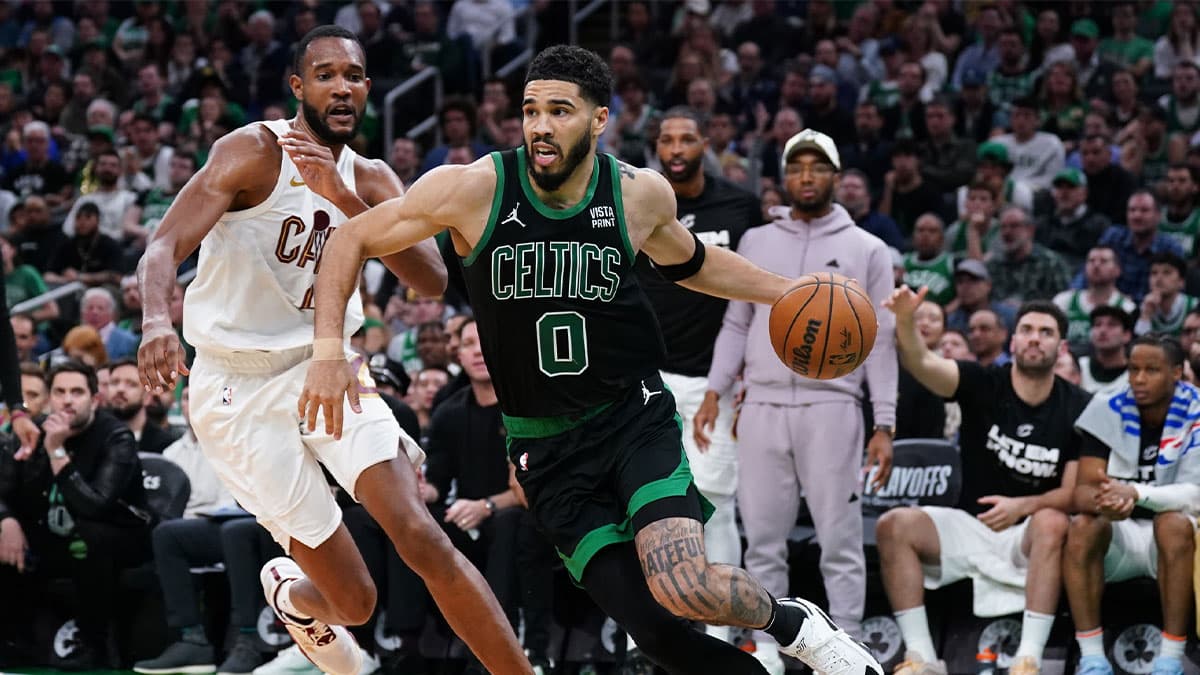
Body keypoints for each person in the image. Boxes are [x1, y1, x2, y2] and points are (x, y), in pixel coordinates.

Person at [298, 45, 882, 675]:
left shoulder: (638, 194)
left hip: (632, 419)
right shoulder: (472, 189)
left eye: (559, 111)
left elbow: (692, 263)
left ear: (599, 119)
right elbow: (352, 238)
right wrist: (328, 351)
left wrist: (783, 291)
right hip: (545, 451)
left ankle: (797, 625)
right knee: (659, 636)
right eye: (530, 110)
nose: (540, 126)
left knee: (684, 584)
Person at [135, 26, 531, 675]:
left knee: (421, 533)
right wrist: (156, 319)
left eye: (353, 74)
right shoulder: (252, 152)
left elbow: (431, 280)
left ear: (369, 89)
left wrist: (346, 202)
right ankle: (293, 596)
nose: (342, 85)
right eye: (326, 73)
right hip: (237, 387)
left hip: (330, 366)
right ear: (299, 86)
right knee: (354, 598)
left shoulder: (369, 177)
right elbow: (160, 247)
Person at [699, 127, 898, 673]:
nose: (806, 177)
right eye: (796, 167)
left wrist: (885, 422)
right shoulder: (757, 242)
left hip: (832, 407)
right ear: (785, 177)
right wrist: (715, 390)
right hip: (759, 405)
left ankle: (849, 646)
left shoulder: (867, 249)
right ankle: (769, 648)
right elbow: (736, 325)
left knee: (838, 538)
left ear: (837, 176)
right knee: (762, 539)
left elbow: (881, 341)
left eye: (817, 167)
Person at [879, 294, 1090, 675]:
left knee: (1053, 521)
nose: (1034, 339)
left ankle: (1028, 660)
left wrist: (1022, 505)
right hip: (971, 525)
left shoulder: (1077, 404)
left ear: (1060, 347)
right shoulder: (982, 381)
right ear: (1013, 341)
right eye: (1026, 330)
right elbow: (921, 362)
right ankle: (922, 658)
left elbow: (1076, 492)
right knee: (894, 524)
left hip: (1028, 534)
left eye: (1046, 333)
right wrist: (906, 321)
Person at [635, 106, 761, 646]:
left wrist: (746, 371)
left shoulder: (741, 205)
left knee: (717, 500)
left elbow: (753, 299)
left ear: (706, 142)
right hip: (649, 378)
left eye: (688, 139)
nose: (678, 149)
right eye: (668, 140)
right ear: (656, 147)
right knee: (646, 505)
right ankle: (652, 635)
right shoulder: (638, 203)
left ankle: (722, 632)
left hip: (718, 383)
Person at [0, 361, 154, 669]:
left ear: (95, 399)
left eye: (77, 392)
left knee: (88, 536)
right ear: (48, 398)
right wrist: (6, 520)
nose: (67, 400)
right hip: (55, 534)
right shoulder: (31, 431)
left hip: (119, 537)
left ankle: (93, 643)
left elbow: (95, 506)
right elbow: (4, 490)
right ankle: (12, 640)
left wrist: (56, 451)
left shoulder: (116, 437)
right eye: (59, 392)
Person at [1068, 335, 1200, 675]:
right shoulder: (1107, 406)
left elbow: (1195, 494)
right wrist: (1106, 502)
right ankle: (1092, 659)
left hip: (1177, 540)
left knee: (1172, 522)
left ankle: (1170, 659)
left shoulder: (1197, 410)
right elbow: (1082, 491)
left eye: (1151, 370)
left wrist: (1136, 493)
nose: (1139, 379)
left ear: (1176, 373)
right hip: (1122, 534)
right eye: (1133, 369)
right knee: (1083, 525)